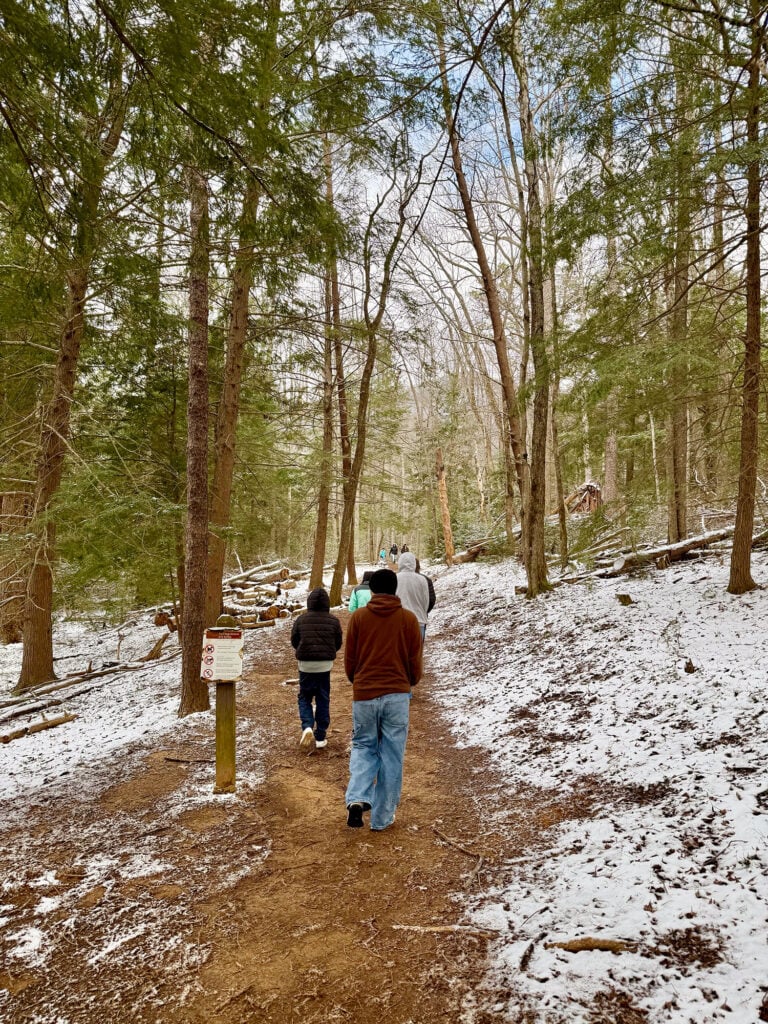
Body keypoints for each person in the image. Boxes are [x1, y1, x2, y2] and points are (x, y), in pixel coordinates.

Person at [344, 568, 422, 830]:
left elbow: (350, 661)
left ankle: (357, 798)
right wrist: (410, 681)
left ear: (372, 590)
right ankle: (382, 817)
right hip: (397, 695)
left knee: (364, 746)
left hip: (364, 693)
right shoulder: (409, 620)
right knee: (391, 754)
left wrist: (359, 681)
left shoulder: (358, 618)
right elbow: (414, 662)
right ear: (395, 588)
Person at [290, 588, 342, 752]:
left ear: (309, 603)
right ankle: (320, 736)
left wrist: (302, 650)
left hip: (305, 665)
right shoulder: (333, 621)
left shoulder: (301, 619)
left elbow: (294, 639)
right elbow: (338, 642)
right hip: (325, 666)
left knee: (304, 697)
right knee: (323, 697)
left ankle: (307, 726)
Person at [395, 551, 430, 641]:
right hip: (418, 620)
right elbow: (426, 600)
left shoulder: (395, 578)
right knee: (416, 652)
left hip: (398, 621)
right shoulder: (422, 579)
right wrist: (423, 612)